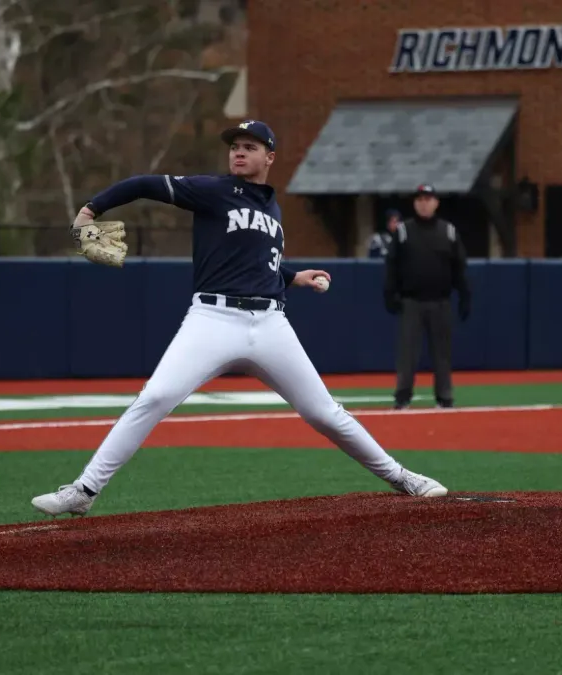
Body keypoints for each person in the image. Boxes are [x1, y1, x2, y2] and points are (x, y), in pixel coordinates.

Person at [31, 120, 449, 517]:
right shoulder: (213, 190)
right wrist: (91, 209)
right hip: (213, 319)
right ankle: (84, 490)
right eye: (235, 147)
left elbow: (258, 263)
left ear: (270, 157)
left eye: (250, 147)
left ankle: (401, 477)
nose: (239, 153)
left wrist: (293, 276)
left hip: (270, 324)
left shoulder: (272, 208)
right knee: (155, 397)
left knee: (324, 413)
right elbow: (144, 184)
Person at [383, 184, 471, 410]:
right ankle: (402, 397)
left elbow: (459, 266)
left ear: (436, 203)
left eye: (428, 199)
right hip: (411, 301)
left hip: (441, 301)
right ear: (415, 203)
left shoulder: (448, 231)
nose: (424, 204)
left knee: (442, 353)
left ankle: (445, 397)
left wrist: (464, 294)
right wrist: (390, 293)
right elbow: (392, 265)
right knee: (408, 353)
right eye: (420, 199)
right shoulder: (404, 231)